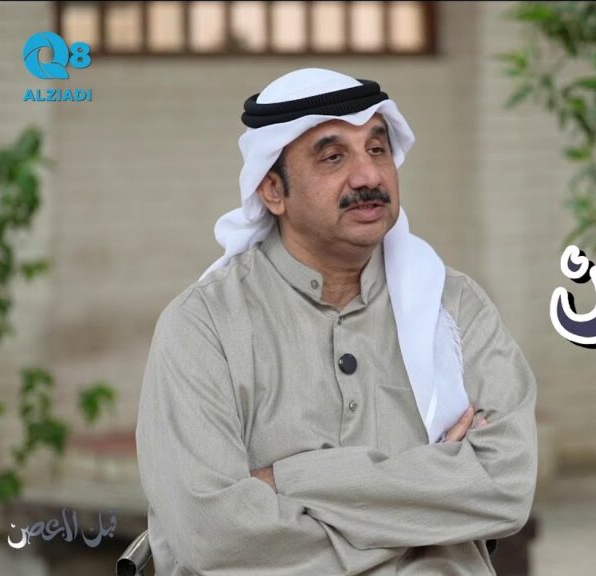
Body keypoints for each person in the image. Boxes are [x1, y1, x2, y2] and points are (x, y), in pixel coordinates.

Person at [135, 68, 538, 575]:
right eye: (333, 157)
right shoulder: (204, 327)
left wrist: (288, 480)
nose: (369, 176)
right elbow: (211, 535)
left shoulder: (455, 306)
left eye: (377, 149)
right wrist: (427, 516)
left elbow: (505, 487)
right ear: (273, 190)